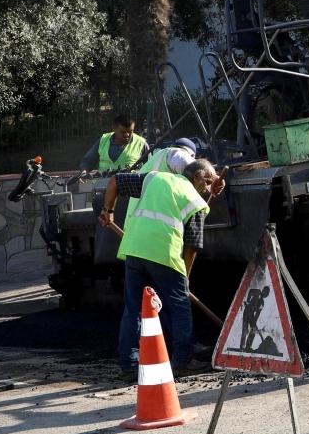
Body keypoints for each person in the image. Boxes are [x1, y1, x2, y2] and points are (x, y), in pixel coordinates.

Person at [101, 159, 227, 382]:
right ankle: (183, 361)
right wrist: (185, 279)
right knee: (179, 306)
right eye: (207, 182)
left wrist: (108, 210)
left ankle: (130, 366)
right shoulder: (196, 202)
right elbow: (191, 249)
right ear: (196, 175)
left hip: (134, 249)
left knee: (134, 309)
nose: (207, 189)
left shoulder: (154, 178)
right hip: (163, 253)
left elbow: (115, 181)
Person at [82, 114, 147, 173]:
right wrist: (84, 171)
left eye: (130, 131)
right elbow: (88, 161)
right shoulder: (103, 140)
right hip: (102, 183)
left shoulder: (141, 143)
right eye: (122, 132)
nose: (127, 135)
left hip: (129, 183)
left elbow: (151, 165)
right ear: (114, 129)